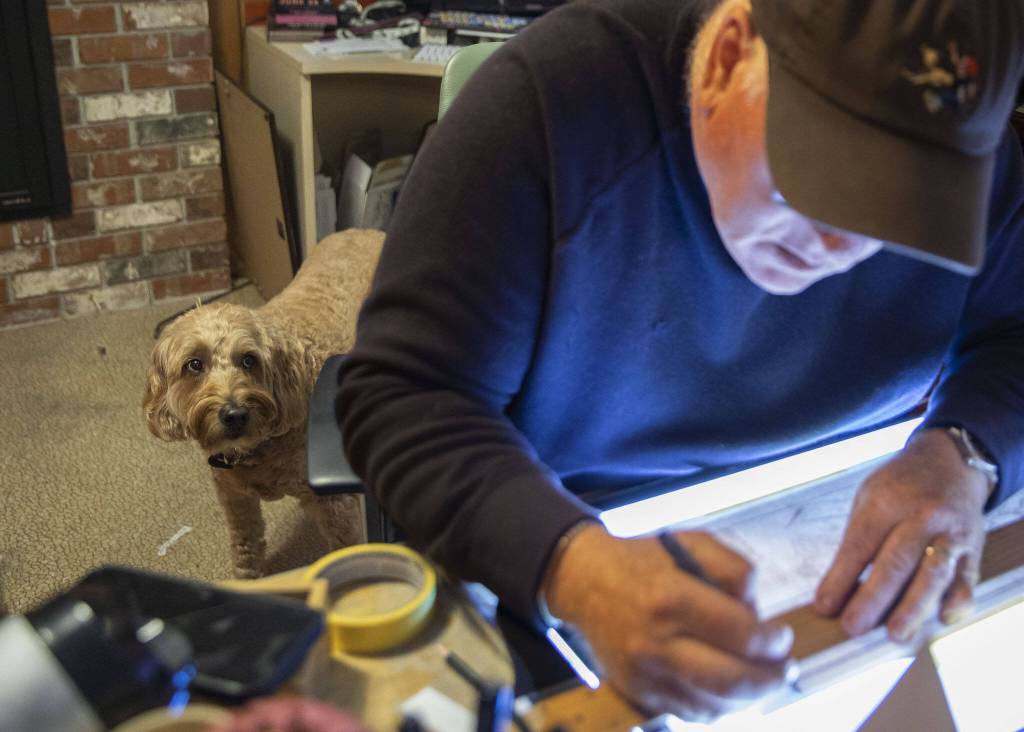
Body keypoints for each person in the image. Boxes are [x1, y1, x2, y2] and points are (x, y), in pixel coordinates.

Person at [338, 0, 1024, 720]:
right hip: (573, 524)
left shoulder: (971, 159)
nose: (836, 250)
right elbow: (406, 391)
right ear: (729, 56)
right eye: (820, 180)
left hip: (836, 508)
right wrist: (579, 570)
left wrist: (964, 453)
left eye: (898, 208)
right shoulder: (551, 105)